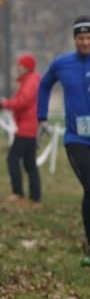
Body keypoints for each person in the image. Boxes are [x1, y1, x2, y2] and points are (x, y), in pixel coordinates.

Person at [37, 18, 90, 268]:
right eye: (80, 38)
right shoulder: (62, 63)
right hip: (77, 139)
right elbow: (44, 85)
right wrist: (41, 117)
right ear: (74, 39)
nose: (85, 42)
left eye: (89, 37)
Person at [2, 54, 41, 203]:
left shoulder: (31, 81)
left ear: (27, 67)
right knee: (29, 162)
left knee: (12, 158)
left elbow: (23, 101)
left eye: (20, 65)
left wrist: (5, 104)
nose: (17, 68)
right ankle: (35, 196)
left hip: (27, 127)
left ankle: (18, 192)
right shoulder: (30, 80)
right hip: (29, 126)